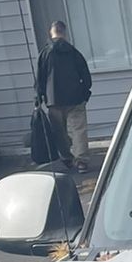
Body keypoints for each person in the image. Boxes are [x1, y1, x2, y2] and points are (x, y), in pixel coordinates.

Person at [36, 21, 93, 169]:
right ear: (64, 32)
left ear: (51, 32)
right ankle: (81, 161)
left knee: (59, 131)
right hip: (75, 98)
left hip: (53, 99)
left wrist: (39, 96)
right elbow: (85, 75)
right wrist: (85, 93)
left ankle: (66, 157)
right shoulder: (74, 52)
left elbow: (40, 78)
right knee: (79, 130)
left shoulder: (45, 54)